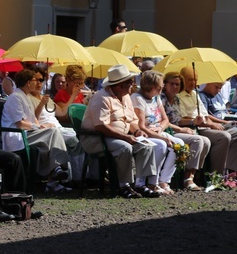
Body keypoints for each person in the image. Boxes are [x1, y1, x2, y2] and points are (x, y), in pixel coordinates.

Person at [80, 65, 159, 199]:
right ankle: (123, 186)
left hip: (117, 137)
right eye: (129, 82)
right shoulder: (102, 98)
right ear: (118, 85)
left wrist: (138, 131)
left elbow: (132, 120)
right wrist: (126, 137)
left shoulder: (126, 96)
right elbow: (101, 126)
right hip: (95, 139)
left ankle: (140, 184)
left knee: (146, 146)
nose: (132, 84)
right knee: (124, 148)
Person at [1, 70, 72, 193]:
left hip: (27, 133)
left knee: (52, 131)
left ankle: (55, 173)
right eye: (35, 80)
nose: (38, 83)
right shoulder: (15, 98)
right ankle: (58, 168)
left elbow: (33, 120)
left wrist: (42, 126)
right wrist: (39, 127)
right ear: (29, 82)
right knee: (53, 132)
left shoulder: (25, 97)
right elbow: (20, 123)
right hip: (17, 135)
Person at [176, 67, 237, 174]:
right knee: (224, 137)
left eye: (195, 80)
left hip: (206, 125)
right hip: (194, 128)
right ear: (182, 80)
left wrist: (214, 124)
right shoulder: (178, 96)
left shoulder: (195, 94)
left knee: (235, 133)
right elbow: (183, 118)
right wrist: (211, 125)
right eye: (190, 79)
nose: (193, 83)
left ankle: (232, 171)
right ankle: (216, 174)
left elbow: (206, 115)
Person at [130, 71, 179, 194]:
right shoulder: (137, 98)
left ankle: (164, 180)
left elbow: (165, 120)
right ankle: (153, 182)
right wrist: (162, 137)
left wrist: (160, 128)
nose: (161, 89)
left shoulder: (156, 97)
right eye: (159, 87)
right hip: (145, 133)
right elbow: (141, 126)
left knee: (180, 145)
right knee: (161, 145)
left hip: (157, 131)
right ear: (151, 86)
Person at [161, 72, 210, 190]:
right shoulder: (161, 98)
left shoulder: (176, 99)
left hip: (177, 129)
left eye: (178, 84)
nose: (175, 87)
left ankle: (192, 174)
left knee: (206, 141)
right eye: (172, 84)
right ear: (165, 85)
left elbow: (178, 119)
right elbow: (165, 121)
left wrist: (193, 122)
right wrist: (181, 129)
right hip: (168, 131)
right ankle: (187, 178)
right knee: (197, 140)